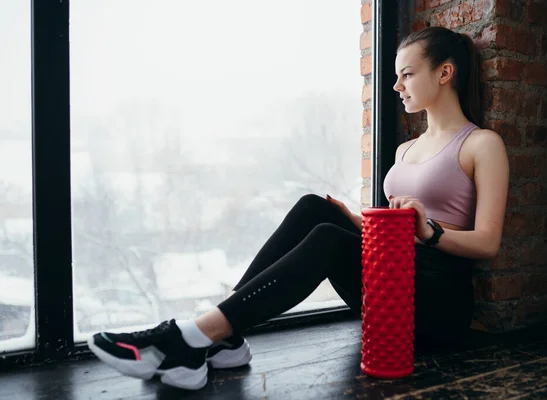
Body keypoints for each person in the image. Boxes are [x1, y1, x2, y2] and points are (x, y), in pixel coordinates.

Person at [87, 26, 509, 391]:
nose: (397, 86)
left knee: (327, 239)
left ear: (445, 72)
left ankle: (193, 337)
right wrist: (361, 222)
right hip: (391, 282)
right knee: (316, 209)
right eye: (396, 77)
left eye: (407, 74)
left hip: (436, 303)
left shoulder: (481, 144)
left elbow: (488, 242)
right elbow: (399, 227)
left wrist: (429, 230)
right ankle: (224, 338)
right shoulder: (405, 150)